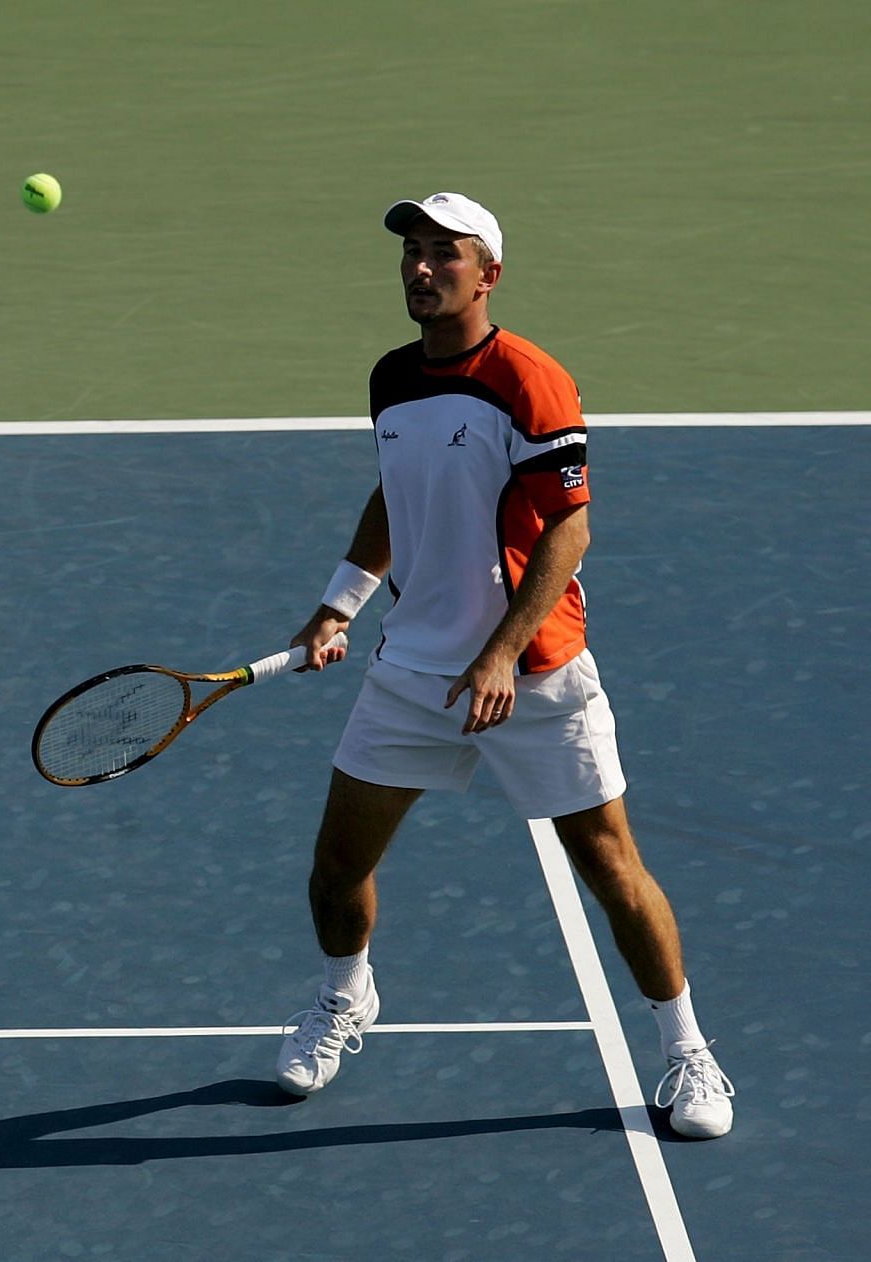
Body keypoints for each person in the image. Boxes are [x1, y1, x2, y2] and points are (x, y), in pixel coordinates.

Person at [274, 192, 734, 1139]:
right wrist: (342, 601)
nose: (421, 267)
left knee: (612, 869)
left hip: (537, 674)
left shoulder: (530, 380)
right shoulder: (393, 378)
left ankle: (689, 1052)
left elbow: (570, 530)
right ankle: (346, 997)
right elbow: (397, 494)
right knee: (335, 870)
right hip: (413, 668)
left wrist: (499, 656)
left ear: (489, 274)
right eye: (411, 252)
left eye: (447, 253)